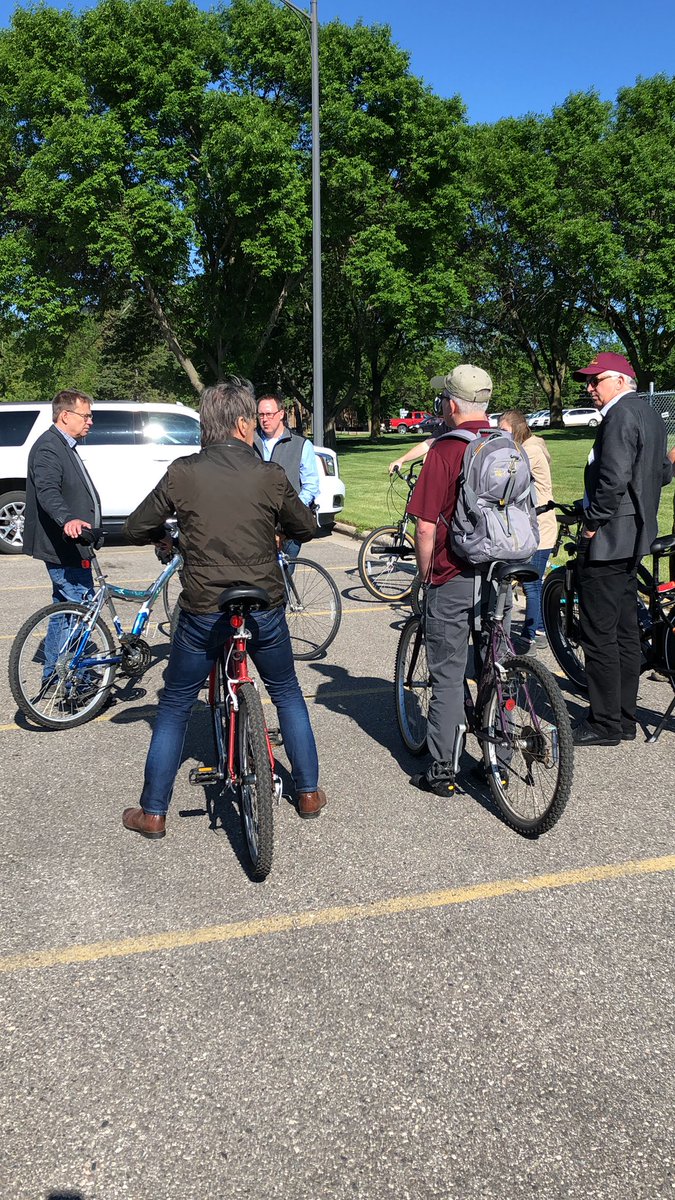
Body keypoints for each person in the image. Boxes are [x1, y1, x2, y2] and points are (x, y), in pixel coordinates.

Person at [121, 376, 327, 840]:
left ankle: (153, 812)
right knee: (286, 691)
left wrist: (167, 537)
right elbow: (306, 526)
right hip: (263, 602)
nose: (255, 425)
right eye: (253, 419)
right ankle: (309, 792)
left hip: (203, 606)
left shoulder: (183, 472)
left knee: (175, 702)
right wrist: (278, 531)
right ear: (241, 424)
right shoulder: (268, 474)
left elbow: (135, 526)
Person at [570, 352, 674, 747]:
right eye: (588, 381)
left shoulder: (619, 416)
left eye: (595, 380)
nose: (589, 388)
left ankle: (605, 723)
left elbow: (612, 479)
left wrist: (592, 523)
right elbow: (661, 473)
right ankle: (624, 718)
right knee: (626, 631)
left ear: (619, 381)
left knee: (599, 633)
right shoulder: (649, 413)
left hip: (609, 539)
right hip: (635, 537)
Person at [405, 364, 493, 796]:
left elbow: (424, 526)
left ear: (452, 405)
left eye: (443, 399)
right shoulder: (502, 443)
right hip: (497, 573)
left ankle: (443, 769)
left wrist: (426, 576)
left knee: (447, 674)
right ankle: (498, 758)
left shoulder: (445, 450)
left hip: (453, 572)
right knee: (494, 667)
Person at [23, 389, 99, 603]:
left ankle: (59, 629)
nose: (90, 421)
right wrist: (68, 519)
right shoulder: (49, 447)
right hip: (64, 546)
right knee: (81, 609)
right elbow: (47, 491)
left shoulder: (63, 444)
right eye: (85, 416)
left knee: (64, 610)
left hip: (74, 545)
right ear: (65, 415)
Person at [498, 409, 556, 651]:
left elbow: (507, 480)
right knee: (531, 582)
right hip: (533, 525)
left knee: (532, 583)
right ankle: (538, 628)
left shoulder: (529, 451)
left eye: (503, 430)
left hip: (540, 526)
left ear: (516, 428)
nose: (500, 435)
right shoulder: (529, 446)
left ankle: (532, 634)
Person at [253, 391, 320, 559]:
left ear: (281, 414)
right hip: (257, 526)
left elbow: (311, 485)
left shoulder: (301, 444)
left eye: (269, 414)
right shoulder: (250, 442)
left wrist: (293, 513)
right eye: (261, 415)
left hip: (287, 528)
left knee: (285, 573)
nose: (265, 419)